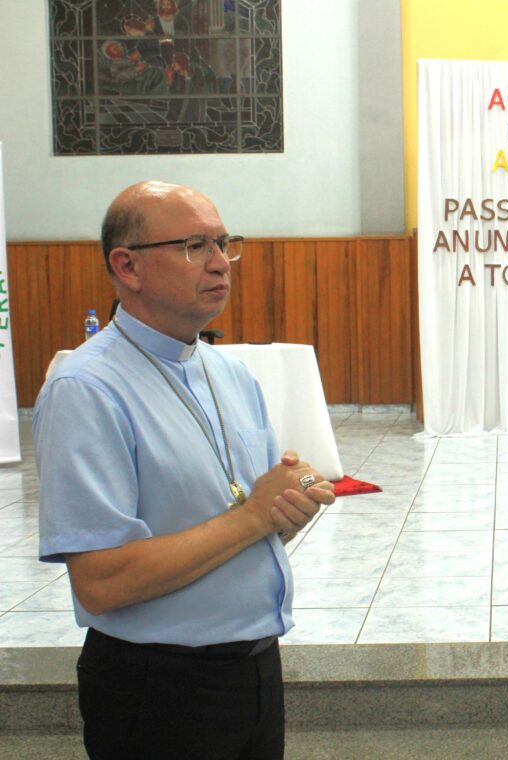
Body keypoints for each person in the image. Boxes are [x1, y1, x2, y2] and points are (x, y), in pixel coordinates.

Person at [34, 180, 336, 759]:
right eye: (197, 245)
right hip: (159, 689)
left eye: (225, 243)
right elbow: (101, 582)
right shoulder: (87, 390)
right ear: (128, 266)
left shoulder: (230, 375)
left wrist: (283, 510)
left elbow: (234, 519)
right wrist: (253, 516)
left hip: (253, 673)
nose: (222, 263)